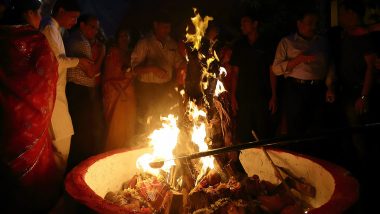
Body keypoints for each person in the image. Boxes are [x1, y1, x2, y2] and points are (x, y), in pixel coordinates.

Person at [0, 0, 61, 212]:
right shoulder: (36, 41)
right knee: (31, 182)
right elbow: (49, 76)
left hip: (4, 116)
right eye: (38, 14)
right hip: (29, 123)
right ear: (29, 13)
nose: (39, 19)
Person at [40, 0, 92, 177]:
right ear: (61, 10)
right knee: (61, 143)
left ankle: (54, 186)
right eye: (73, 17)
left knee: (61, 142)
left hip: (57, 92)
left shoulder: (55, 29)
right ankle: (54, 187)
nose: (75, 22)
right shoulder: (48, 28)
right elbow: (56, 61)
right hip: (52, 94)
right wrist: (79, 62)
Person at [272, 9, 335, 139]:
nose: (313, 26)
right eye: (310, 23)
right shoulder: (287, 42)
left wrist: (330, 87)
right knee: (296, 128)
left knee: (317, 127)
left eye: (316, 23)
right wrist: (297, 60)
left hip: (318, 89)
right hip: (296, 89)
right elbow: (276, 69)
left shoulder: (322, 42)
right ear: (299, 24)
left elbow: (329, 65)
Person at [131, 9, 186, 135]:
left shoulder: (171, 43)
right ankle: (144, 146)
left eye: (169, 27)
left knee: (164, 117)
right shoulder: (144, 43)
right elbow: (134, 69)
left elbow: (179, 63)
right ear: (155, 25)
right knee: (147, 118)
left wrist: (185, 65)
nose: (167, 30)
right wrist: (153, 69)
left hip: (165, 88)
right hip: (147, 89)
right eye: (165, 27)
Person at [64, 14, 106, 170]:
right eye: (92, 27)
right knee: (83, 131)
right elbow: (91, 72)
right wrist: (102, 52)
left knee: (82, 130)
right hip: (79, 90)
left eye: (97, 28)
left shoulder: (75, 39)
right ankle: (79, 168)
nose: (95, 31)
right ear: (82, 25)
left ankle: (78, 166)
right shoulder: (81, 43)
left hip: (77, 90)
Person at [230, 13, 278, 142]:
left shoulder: (266, 44)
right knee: (244, 133)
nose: (242, 26)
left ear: (255, 24)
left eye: (245, 22)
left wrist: (274, 96)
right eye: (241, 23)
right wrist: (233, 96)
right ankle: (244, 161)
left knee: (263, 132)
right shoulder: (239, 45)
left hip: (262, 96)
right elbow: (235, 72)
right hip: (243, 97)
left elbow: (272, 70)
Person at [102, 28, 136, 151]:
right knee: (116, 126)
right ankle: (113, 151)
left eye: (126, 35)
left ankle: (126, 151)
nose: (124, 38)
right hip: (115, 93)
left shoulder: (132, 53)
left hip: (129, 92)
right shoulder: (113, 52)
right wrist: (121, 92)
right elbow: (109, 76)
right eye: (121, 36)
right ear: (117, 39)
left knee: (129, 123)